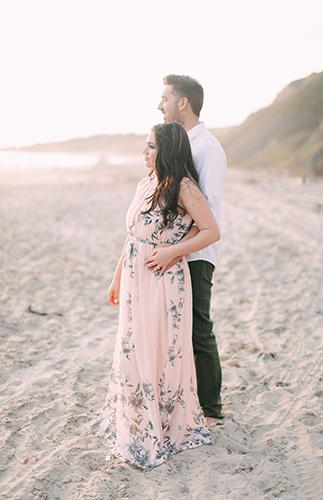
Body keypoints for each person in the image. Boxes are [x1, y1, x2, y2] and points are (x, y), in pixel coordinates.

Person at [92, 123, 220, 469]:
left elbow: (211, 230)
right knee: (134, 344)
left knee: (158, 349)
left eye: (150, 147)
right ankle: (136, 414)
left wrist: (173, 252)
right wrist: (117, 277)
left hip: (163, 279)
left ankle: (162, 420)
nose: (144, 153)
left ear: (166, 151)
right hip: (136, 278)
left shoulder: (185, 187)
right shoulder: (145, 184)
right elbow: (133, 236)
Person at [152, 74, 227, 423]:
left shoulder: (207, 149)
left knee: (198, 328)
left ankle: (211, 410)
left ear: (183, 103)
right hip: (175, 253)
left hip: (195, 255)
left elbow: (207, 213)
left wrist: (175, 250)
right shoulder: (181, 143)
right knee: (175, 329)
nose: (160, 104)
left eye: (165, 98)